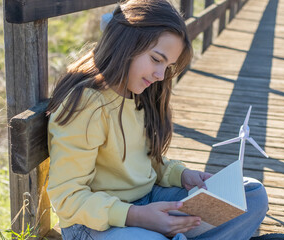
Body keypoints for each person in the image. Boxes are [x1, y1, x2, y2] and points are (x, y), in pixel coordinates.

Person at [46, 0, 269, 239]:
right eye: (156, 59)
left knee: (252, 193)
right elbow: (67, 197)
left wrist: (181, 175)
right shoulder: (87, 105)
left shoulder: (140, 93)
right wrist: (136, 216)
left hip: (149, 200)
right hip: (94, 224)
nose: (161, 75)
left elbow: (146, 162)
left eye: (168, 65)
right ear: (126, 43)